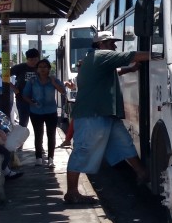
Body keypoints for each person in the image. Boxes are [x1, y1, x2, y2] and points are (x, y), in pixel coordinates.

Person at [63, 32, 149, 205]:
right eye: (112, 43)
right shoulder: (102, 55)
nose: (115, 47)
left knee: (125, 144)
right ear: (102, 44)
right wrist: (163, 53)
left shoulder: (95, 59)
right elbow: (134, 55)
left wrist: (131, 70)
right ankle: (71, 193)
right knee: (82, 151)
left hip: (106, 113)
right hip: (93, 114)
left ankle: (142, 173)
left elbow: (116, 71)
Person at [22, 59, 66, 169]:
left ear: (49, 69)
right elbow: (25, 95)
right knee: (38, 134)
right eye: (40, 67)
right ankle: (38, 158)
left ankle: (51, 159)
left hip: (51, 111)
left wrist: (54, 83)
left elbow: (63, 91)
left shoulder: (54, 79)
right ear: (37, 69)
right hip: (36, 111)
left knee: (51, 135)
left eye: (45, 67)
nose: (42, 69)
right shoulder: (32, 81)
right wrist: (31, 102)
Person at [9, 48, 40, 128]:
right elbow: (4, 76)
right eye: (31, 60)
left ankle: (38, 140)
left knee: (38, 124)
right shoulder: (20, 67)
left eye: (36, 60)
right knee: (23, 123)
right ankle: (20, 140)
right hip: (22, 99)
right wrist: (14, 88)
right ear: (27, 59)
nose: (33, 62)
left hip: (37, 100)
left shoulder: (41, 68)